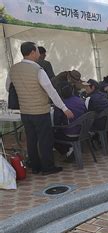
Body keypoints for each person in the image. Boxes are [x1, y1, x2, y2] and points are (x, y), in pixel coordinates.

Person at [7, 41, 74, 175]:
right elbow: (51, 91)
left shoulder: (13, 69)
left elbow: (8, 87)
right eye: (37, 50)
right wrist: (64, 108)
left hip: (25, 112)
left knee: (31, 140)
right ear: (32, 53)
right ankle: (48, 167)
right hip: (40, 111)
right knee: (45, 140)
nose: (38, 53)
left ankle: (35, 167)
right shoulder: (38, 69)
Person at [53, 82, 87, 158]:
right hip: (84, 130)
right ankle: (71, 149)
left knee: (50, 135)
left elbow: (56, 122)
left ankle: (68, 150)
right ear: (72, 91)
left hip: (71, 133)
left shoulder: (61, 104)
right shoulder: (81, 100)